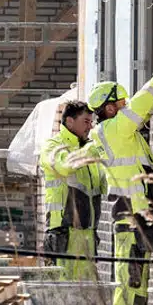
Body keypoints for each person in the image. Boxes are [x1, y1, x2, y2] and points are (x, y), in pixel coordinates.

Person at [87, 60, 153, 305]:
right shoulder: (113, 129)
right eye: (121, 103)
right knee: (128, 284)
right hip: (130, 220)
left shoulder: (120, 131)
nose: (126, 106)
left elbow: (145, 110)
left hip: (138, 219)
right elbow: (141, 104)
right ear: (109, 108)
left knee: (138, 285)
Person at [39, 100, 105, 280]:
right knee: (62, 289)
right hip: (63, 233)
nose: (90, 127)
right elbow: (65, 166)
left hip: (88, 234)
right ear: (69, 121)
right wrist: (94, 148)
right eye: (86, 121)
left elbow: (104, 184)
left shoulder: (88, 148)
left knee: (88, 291)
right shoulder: (53, 146)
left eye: (91, 122)